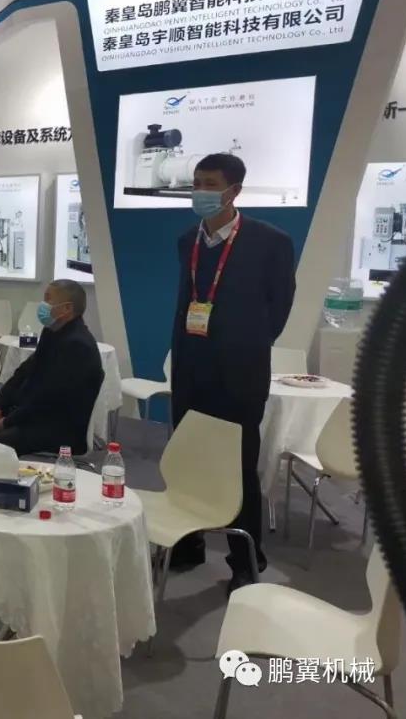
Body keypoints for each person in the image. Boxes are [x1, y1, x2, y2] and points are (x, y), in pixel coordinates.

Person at [170, 152, 295, 596]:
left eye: (210, 184)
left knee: (239, 466)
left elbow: (279, 310)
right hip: (191, 370)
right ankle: (188, 543)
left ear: (234, 191)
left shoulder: (270, 242)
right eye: (196, 183)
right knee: (188, 459)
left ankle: (246, 558)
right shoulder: (188, 240)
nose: (200, 191)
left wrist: (245, 344)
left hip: (240, 375)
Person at [0, 279, 103, 456]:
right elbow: (24, 371)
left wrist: (8, 421)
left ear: (67, 308)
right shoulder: (52, 331)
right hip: (36, 415)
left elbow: (48, 397)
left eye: (48, 299)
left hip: (58, 426)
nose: (43, 305)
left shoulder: (77, 345)